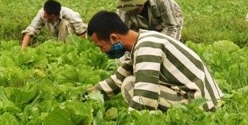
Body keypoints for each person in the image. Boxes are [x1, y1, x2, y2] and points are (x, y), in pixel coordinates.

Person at [85, 11, 222, 112]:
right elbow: (117, 79)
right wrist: (86, 96)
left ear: (114, 38)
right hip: (204, 97)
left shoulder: (147, 47)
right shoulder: (143, 40)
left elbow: (145, 95)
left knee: (130, 85)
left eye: (101, 46)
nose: (102, 51)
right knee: (128, 80)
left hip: (201, 104)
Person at [116, 0, 184, 41]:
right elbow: (121, 33)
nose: (132, 11)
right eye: (129, 9)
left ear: (143, 1)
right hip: (140, 24)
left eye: (135, 7)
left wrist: (159, 46)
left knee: (170, 42)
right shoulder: (123, 7)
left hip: (169, 14)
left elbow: (171, 26)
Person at [20, 0, 87, 50]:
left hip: (73, 38)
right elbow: (31, 30)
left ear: (56, 15)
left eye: (50, 19)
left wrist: (81, 49)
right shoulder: (42, 13)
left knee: (64, 23)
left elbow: (81, 32)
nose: (47, 20)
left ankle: (66, 48)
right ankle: (60, 47)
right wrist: (22, 50)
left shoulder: (69, 14)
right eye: (45, 17)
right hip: (57, 38)